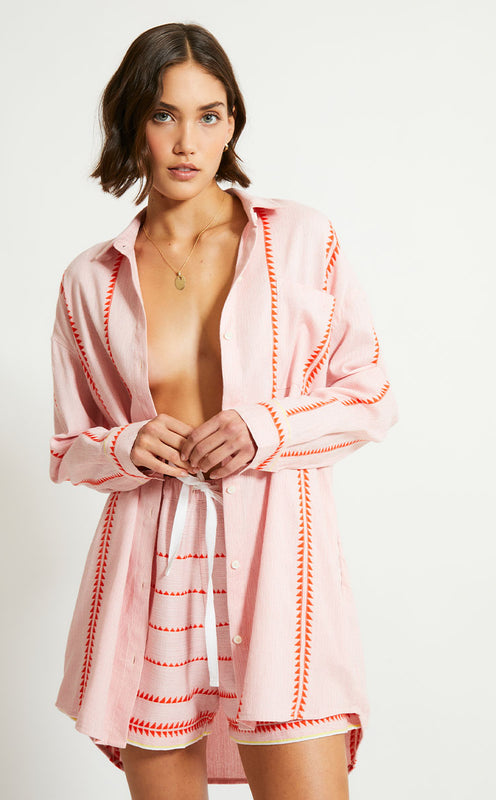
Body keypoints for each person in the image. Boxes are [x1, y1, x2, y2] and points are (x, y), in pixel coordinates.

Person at [49, 21, 398, 800]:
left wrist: (263, 427)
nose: (186, 140)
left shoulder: (303, 240)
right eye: (164, 114)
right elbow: (68, 446)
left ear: (232, 123)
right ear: (131, 121)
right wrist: (128, 444)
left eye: (209, 115)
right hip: (152, 571)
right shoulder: (90, 281)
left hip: (278, 571)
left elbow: (369, 395)